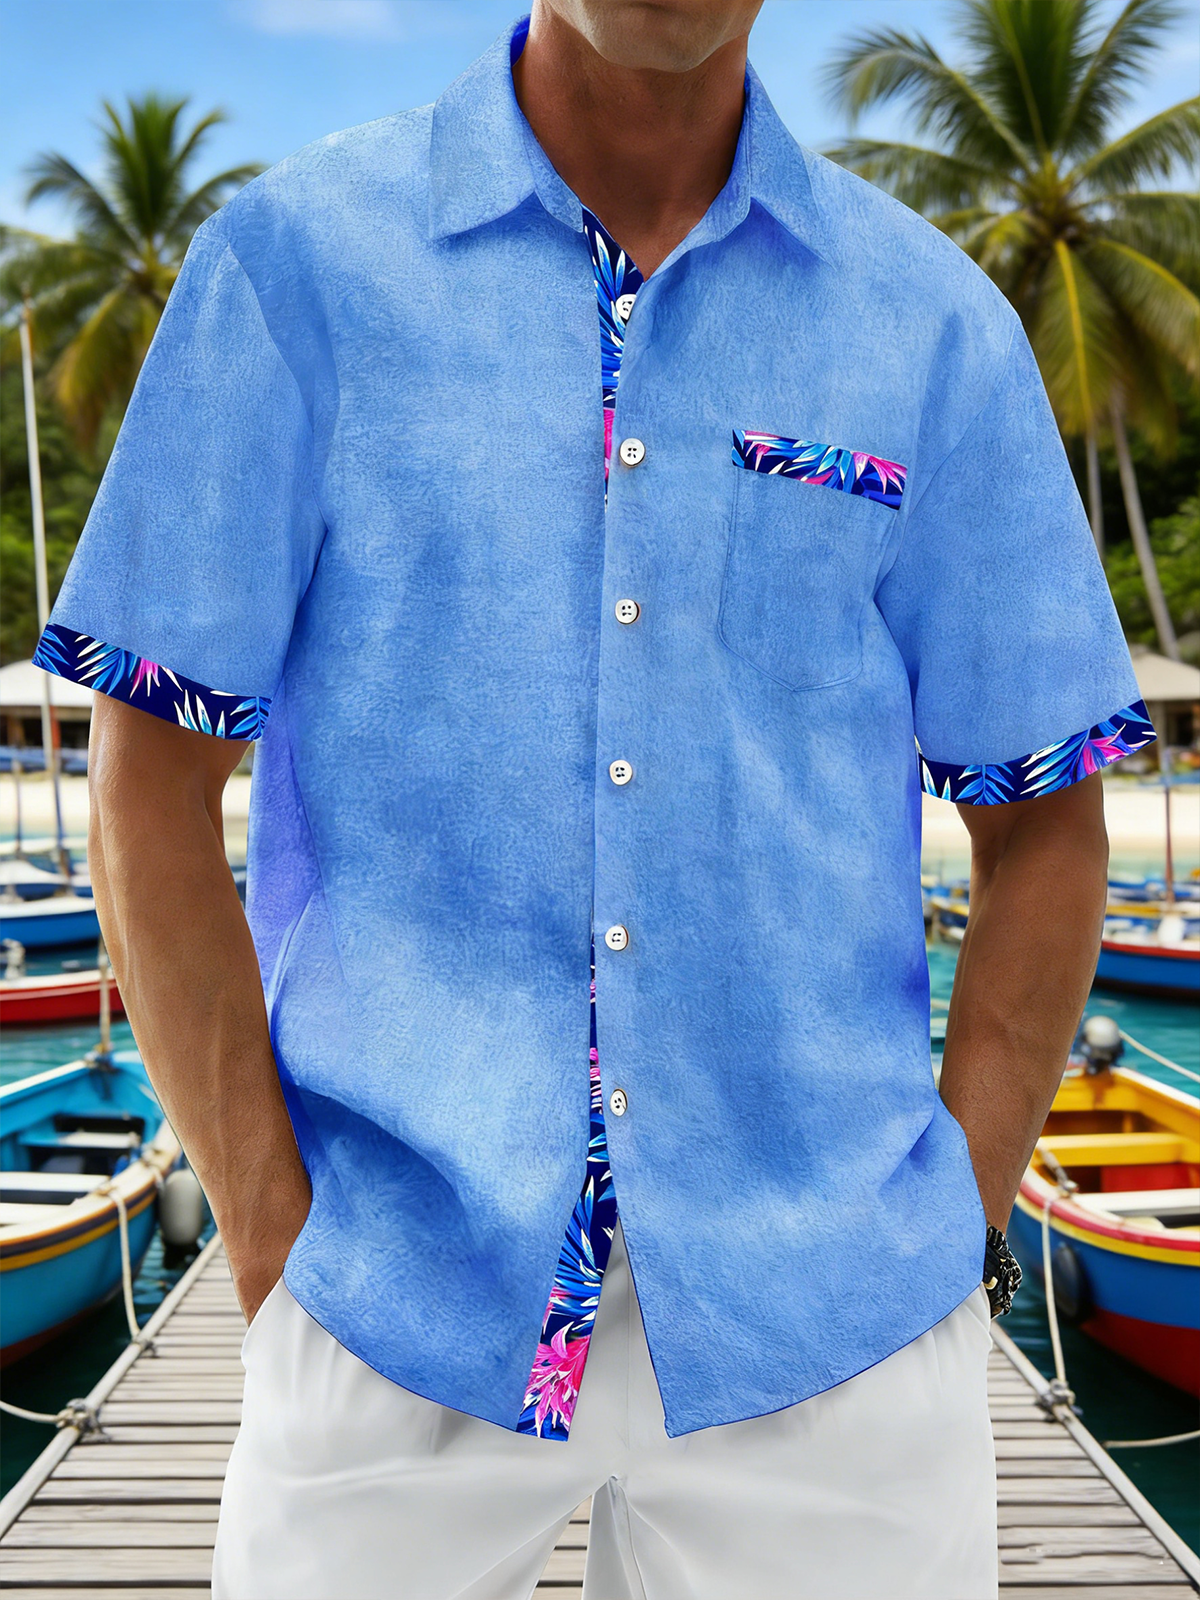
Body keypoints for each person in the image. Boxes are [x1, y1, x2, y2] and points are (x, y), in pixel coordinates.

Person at [34, 2, 1154, 1595]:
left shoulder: (933, 326)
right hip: (393, 1287)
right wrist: (270, 1225)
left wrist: (951, 1228)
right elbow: (148, 773)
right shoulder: (293, 272)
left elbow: (1043, 813)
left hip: (831, 1312)